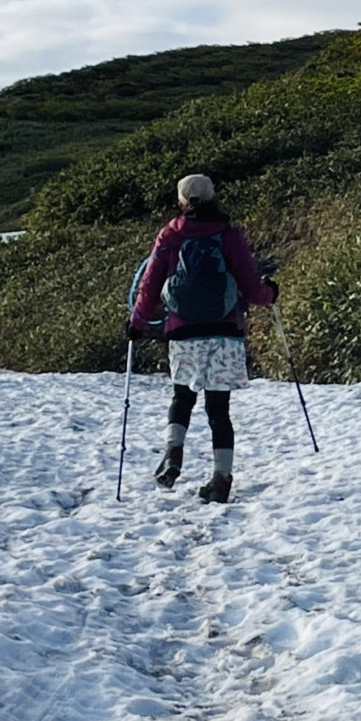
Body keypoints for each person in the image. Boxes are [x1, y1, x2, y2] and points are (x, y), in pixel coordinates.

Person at [127, 174, 278, 503]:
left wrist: (137, 322)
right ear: (212, 197)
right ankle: (221, 479)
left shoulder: (170, 235)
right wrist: (270, 293)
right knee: (218, 410)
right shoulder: (228, 235)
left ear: (181, 201)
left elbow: (150, 285)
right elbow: (253, 290)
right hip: (224, 332)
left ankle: (173, 453)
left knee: (182, 398)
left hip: (183, 332)